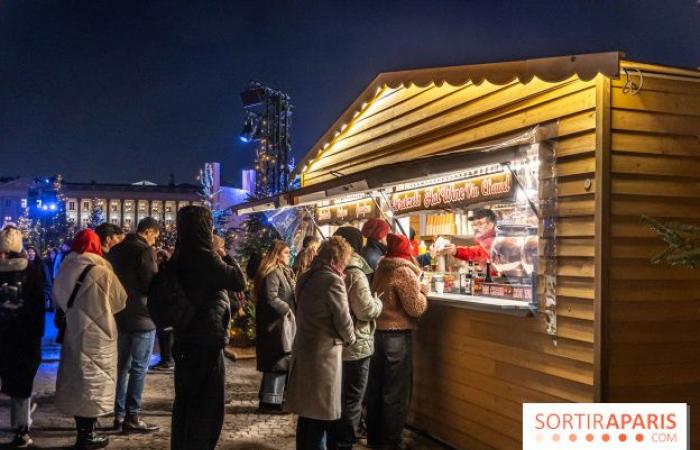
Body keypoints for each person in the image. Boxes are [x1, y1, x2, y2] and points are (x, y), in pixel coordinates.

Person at [171, 205, 246, 450]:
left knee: (185, 401)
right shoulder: (204, 256)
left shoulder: (180, 254)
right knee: (207, 404)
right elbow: (238, 280)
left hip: (184, 336)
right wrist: (223, 254)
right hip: (206, 337)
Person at [52, 229, 127, 450]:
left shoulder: (66, 267)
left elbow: (57, 298)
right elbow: (120, 301)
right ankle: (88, 435)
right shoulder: (103, 270)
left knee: (78, 381)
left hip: (74, 330)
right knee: (95, 380)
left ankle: (83, 431)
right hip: (100, 334)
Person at [285, 236, 356, 450]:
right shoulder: (333, 281)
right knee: (320, 416)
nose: (344, 266)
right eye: (344, 261)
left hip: (304, 349)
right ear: (336, 259)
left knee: (308, 415)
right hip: (324, 355)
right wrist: (351, 339)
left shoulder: (306, 277)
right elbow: (343, 320)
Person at [367, 233, 428, 449]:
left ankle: (374, 437)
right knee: (395, 392)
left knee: (376, 388)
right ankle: (390, 442)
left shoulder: (381, 268)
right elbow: (416, 307)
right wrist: (423, 290)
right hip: (397, 337)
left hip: (377, 335)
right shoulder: (403, 271)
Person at [107, 217, 160, 433]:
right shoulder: (145, 251)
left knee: (122, 367)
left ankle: (118, 415)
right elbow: (150, 285)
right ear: (147, 231)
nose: (155, 240)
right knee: (139, 368)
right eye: (155, 236)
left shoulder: (116, 250)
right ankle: (133, 415)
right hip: (142, 317)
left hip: (120, 314)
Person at [332, 227, 383, 450]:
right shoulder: (355, 272)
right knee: (352, 398)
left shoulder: (334, 268)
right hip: (357, 344)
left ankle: (336, 439)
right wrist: (377, 301)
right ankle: (344, 443)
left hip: (337, 344)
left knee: (340, 396)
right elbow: (365, 311)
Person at [0, 227, 45, 448]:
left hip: (2, 333)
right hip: (24, 336)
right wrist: (36, 334)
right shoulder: (33, 270)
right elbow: (38, 306)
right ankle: (21, 430)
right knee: (22, 385)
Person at [254, 239, 296, 414]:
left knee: (280, 362)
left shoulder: (283, 271)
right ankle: (271, 401)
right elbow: (270, 298)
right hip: (275, 326)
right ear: (277, 255)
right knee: (277, 363)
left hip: (280, 324)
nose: (289, 256)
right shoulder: (272, 273)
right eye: (286, 253)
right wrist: (287, 309)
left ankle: (271, 398)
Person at [150, 248, 175, 371]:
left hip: (165, 309)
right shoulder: (163, 272)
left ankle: (167, 360)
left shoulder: (164, 273)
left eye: (160, 257)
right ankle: (165, 359)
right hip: (162, 309)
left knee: (166, 335)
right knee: (163, 334)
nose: (158, 259)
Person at [27, 245, 53, 311]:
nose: (30, 253)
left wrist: (45, 293)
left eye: (32, 251)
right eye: (28, 252)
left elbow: (48, 281)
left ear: (35, 253)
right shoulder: (25, 266)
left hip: (39, 296)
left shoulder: (42, 265)